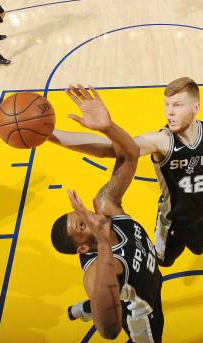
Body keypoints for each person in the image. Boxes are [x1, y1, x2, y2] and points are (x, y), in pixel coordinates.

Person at [49, 77, 203, 267]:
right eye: (167, 105)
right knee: (164, 261)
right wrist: (51, 134)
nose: (169, 113)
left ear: (196, 108)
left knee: (199, 249)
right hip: (173, 222)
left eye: (177, 105)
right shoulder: (161, 142)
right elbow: (111, 149)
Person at [51, 85, 163, 342]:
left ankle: (87, 307)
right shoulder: (98, 270)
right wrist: (103, 242)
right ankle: (96, 304)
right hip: (142, 318)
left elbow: (131, 155)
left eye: (82, 213)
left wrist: (106, 127)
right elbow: (109, 331)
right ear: (82, 249)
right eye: (82, 226)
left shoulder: (107, 205)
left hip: (147, 281)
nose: (90, 216)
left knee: (118, 293)